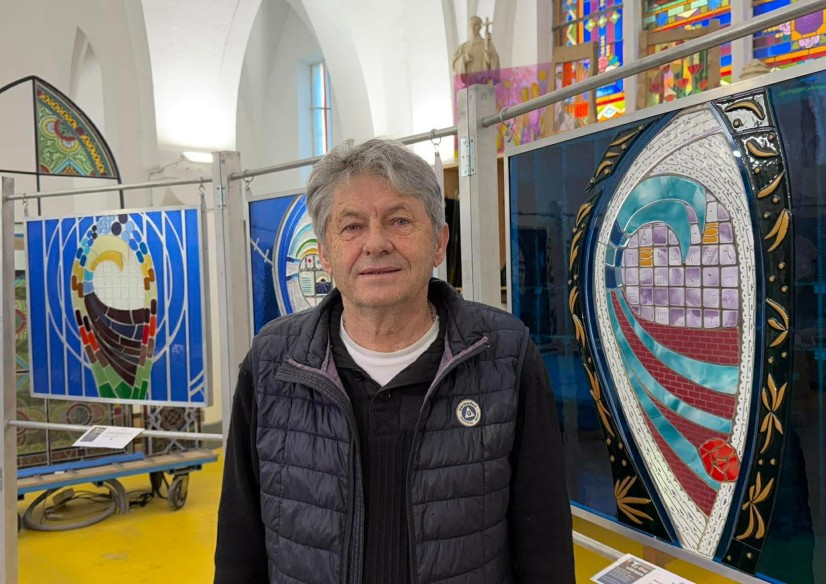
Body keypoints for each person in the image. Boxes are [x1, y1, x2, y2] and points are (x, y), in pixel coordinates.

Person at [214, 138, 574, 584]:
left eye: (399, 220)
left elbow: (544, 541)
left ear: (439, 242)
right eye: (351, 227)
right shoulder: (272, 364)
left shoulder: (504, 355)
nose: (376, 243)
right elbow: (238, 547)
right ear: (324, 252)